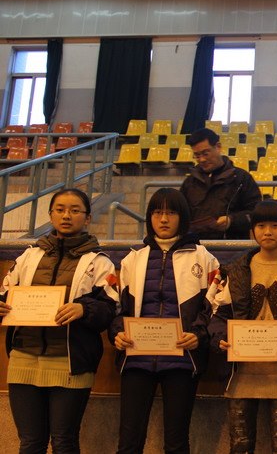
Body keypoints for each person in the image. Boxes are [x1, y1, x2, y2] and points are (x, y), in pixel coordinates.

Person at [0, 188, 119, 453]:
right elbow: (6, 293)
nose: (67, 215)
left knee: (64, 441)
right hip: (23, 358)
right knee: (30, 442)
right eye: (60, 209)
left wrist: (83, 309)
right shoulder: (28, 256)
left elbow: (109, 310)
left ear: (87, 218)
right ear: (51, 214)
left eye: (75, 210)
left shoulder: (99, 263)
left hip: (70, 362)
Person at [109, 188, 219, 454]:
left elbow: (215, 306)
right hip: (136, 358)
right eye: (158, 212)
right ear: (149, 217)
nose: (164, 219)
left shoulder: (204, 258)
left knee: (177, 442)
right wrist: (117, 333)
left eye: (171, 212)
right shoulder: (133, 259)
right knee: (129, 442)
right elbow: (116, 307)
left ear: (183, 217)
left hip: (182, 359)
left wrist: (199, 335)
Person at [207, 199, 277, 454]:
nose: (268, 232)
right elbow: (217, 312)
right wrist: (219, 337)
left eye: (275, 226)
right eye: (261, 226)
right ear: (252, 230)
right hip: (240, 371)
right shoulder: (234, 269)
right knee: (240, 445)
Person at [180, 127, 262, 239]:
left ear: (218, 147)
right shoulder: (189, 182)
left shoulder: (242, 179)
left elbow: (256, 213)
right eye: (197, 155)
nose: (202, 159)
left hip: (231, 245)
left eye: (205, 153)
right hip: (196, 245)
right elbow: (180, 214)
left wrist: (232, 221)